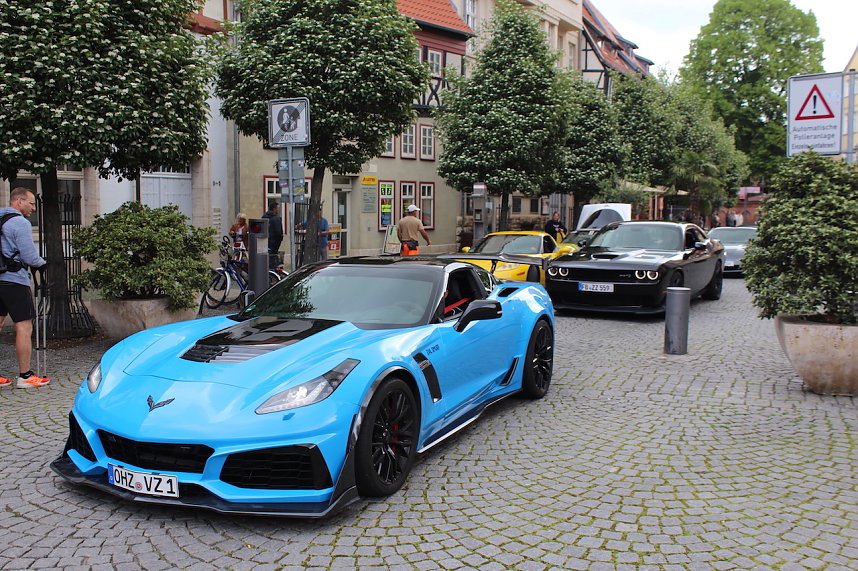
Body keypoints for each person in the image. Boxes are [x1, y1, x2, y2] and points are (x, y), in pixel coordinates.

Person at [0, 187, 49, 388]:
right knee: (24, 326)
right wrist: (42, 263)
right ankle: (25, 376)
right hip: (14, 280)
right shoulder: (20, 222)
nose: (33, 208)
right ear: (19, 201)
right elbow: (29, 256)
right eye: (31, 203)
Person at [262, 200, 283, 268]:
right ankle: (273, 273)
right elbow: (278, 233)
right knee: (273, 258)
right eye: (277, 208)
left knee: (266, 258)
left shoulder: (264, 217)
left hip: (264, 242)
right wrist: (279, 241)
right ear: (274, 208)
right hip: (274, 243)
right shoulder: (276, 218)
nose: (278, 210)